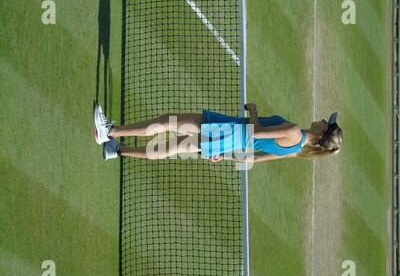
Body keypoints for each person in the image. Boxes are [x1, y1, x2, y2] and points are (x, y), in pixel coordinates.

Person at [93, 102, 343, 163]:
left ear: (322, 132)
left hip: (230, 130)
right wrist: (226, 156)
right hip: (228, 143)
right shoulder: (296, 149)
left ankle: (109, 131)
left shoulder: (293, 131)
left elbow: (255, 133)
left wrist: (253, 111)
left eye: (326, 122)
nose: (322, 119)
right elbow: (254, 157)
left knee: (168, 123)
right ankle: (117, 150)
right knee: (173, 148)